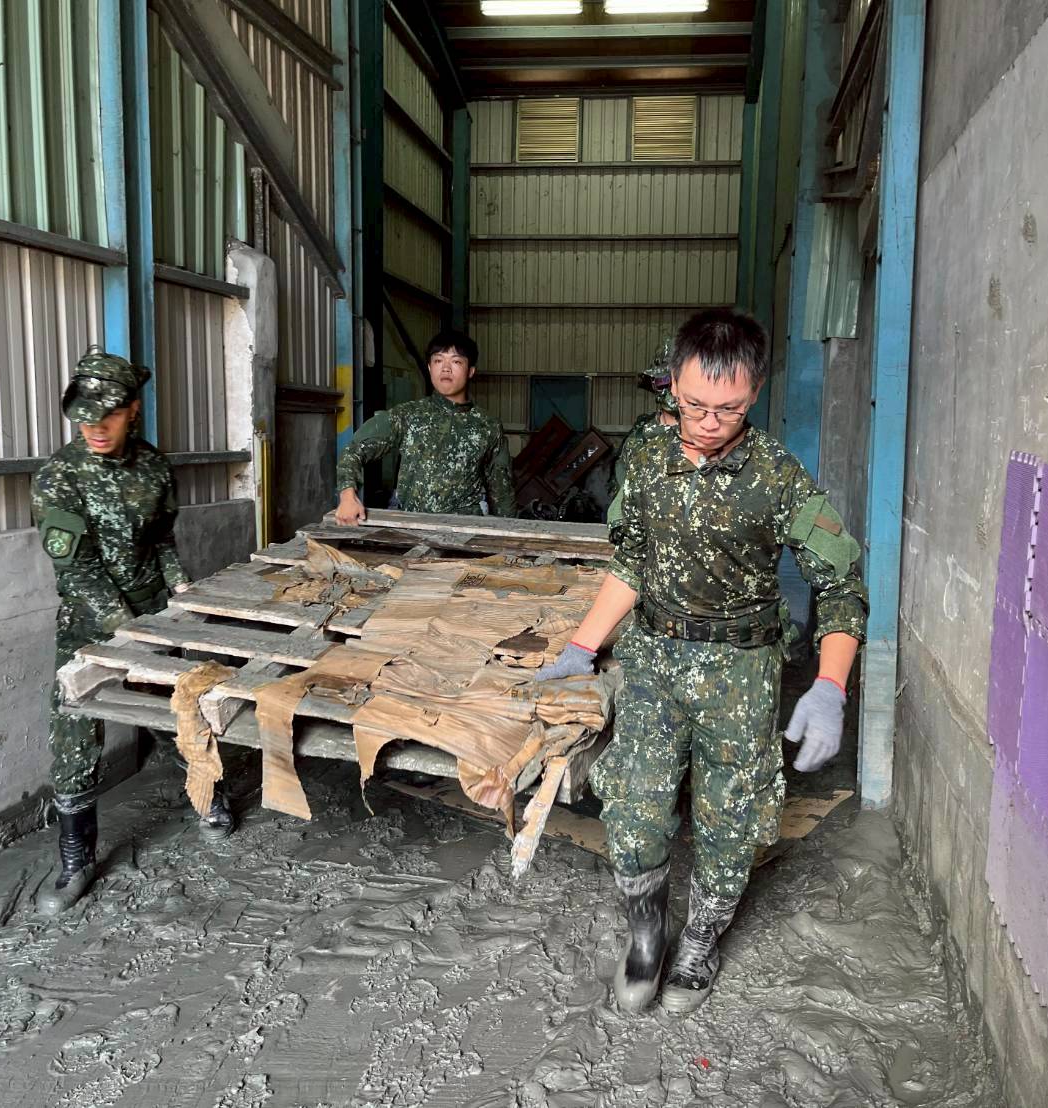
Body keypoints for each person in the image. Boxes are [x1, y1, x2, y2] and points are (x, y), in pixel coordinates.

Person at [534, 309, 868, 1015]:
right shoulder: (647, 455)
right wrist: (579, 646)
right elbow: (631, 562)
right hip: (653, 659)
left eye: (728, 408)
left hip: (739, 674)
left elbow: (839, 585)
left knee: (731, 818)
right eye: (693, 404)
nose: (708, 421)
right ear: (671, 387)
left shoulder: (777, 477)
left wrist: (829, 686)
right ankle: (648, 935)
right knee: (632, 806)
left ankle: (700, 942)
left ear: (754, 397)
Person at [31, 348, 233, 916]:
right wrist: (130, 633)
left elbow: (164, 542)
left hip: (152, 614)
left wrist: (181, 590)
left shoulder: (153, 466)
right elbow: (78, 570)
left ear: (133, 411)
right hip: (89, 623)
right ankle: (76, 860)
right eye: (84, 414)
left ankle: (208, 797)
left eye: (109, 414)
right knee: (73, 728)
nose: (95, 426)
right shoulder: (59, 477)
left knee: (180, 706)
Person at [334, 329, 516, 523]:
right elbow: (353, 451)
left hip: (464, 532)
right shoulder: (407, 415)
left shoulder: (487, 426)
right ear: (429, 368)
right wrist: (347, 496)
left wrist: (509, 536)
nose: (446, 368)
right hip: (410, 526)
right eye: (438, 361)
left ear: (470, 370)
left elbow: (502, 490)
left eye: (456, 361)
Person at [606, 339, 680, 534]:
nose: (672, 391)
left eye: (680, 381)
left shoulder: (708, 438)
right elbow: (619, 492)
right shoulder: (639, 435)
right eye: (664, 382)